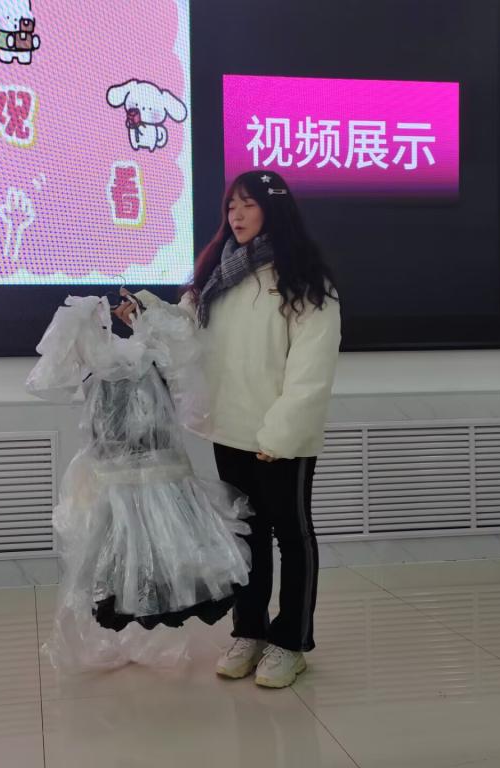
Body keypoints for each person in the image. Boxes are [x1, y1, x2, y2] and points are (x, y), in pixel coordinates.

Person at [113, 170, 341, 688]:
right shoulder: (220, 274)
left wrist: (280, 434)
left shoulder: (307, 282)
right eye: (231, 206)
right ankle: (250, 632)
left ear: (274, 209)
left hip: (278, 436)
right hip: (230, 428)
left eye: (248, 204)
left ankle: (291, 642)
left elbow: (311, 369)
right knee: (246, 534)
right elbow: (185, 332)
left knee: (292, 534)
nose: (236, 215)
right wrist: (145, 316)